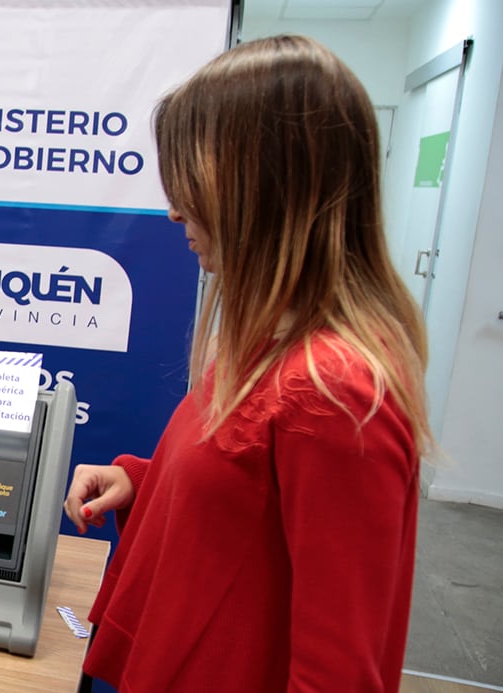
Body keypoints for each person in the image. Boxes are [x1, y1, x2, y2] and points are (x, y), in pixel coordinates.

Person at [62, 35, 431, 691]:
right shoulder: (267, 343)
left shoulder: (330, 391)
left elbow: (338, 672)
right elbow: (250, 512)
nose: (175, 210)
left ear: (264, 187)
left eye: (192, 185)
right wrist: (143, 485)